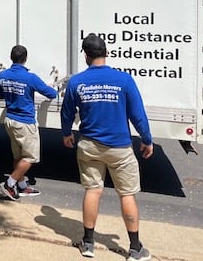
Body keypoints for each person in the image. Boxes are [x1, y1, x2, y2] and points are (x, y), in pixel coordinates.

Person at [61, 33, 153, 261]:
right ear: (106, 53)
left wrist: (66, 133)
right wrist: (147, 138)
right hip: (119, 148)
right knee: (127, 194)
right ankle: (134, 248)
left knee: (93, 190)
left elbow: (67, 112)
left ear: (85, 55)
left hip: (89, 145)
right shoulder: (124, 80)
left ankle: (89, 243)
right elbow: (137, 114)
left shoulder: (76, 81)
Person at [0, 45, 57, 200]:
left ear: (11, 58)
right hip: (25, 123)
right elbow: (52, 94)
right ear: (25, 59)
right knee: (30, 158)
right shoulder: (30, 77)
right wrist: (50, 86)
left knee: (18, 156)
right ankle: (10, 183)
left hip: (10, 120)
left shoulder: (3, 75)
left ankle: (22, 187)